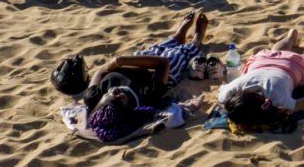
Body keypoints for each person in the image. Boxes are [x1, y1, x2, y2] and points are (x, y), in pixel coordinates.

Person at [51, 11, 210, 142]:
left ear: (101, 102)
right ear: (127, 107)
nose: (117, 92)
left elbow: (100, 71)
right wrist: (122, 61)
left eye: (111, 94)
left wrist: (114, 63)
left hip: (131, 64)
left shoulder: (92, 98)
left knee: (154, 49)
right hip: (157, 71)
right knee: (174, 57)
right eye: (121, 98)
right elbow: (162, 64)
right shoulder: (145, 97)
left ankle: (178, 35)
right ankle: (195, 41)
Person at [217, 27, 304, 132]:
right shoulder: (229, 93)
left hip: (293, 67)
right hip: (262, 60)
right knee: (275, 52)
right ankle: (291, 36)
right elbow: (224, 98)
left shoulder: (277, 100)